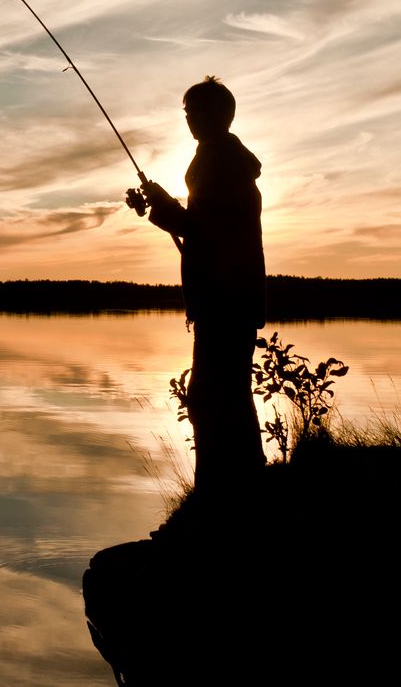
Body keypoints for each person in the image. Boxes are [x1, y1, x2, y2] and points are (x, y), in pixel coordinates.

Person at [143, 76, 266, 491]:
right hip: (223, 299)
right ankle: (232, 492)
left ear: (222, 115)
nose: (191, 119)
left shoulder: (223, 164)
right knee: (220, 397)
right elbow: (203, 228)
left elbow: (206, 231)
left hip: (226, 300)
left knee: (215, 399)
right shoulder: (214, 161)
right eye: (188, 112)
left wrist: (164, 212)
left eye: (199, 111)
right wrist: (162, 204)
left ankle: (224, 497)